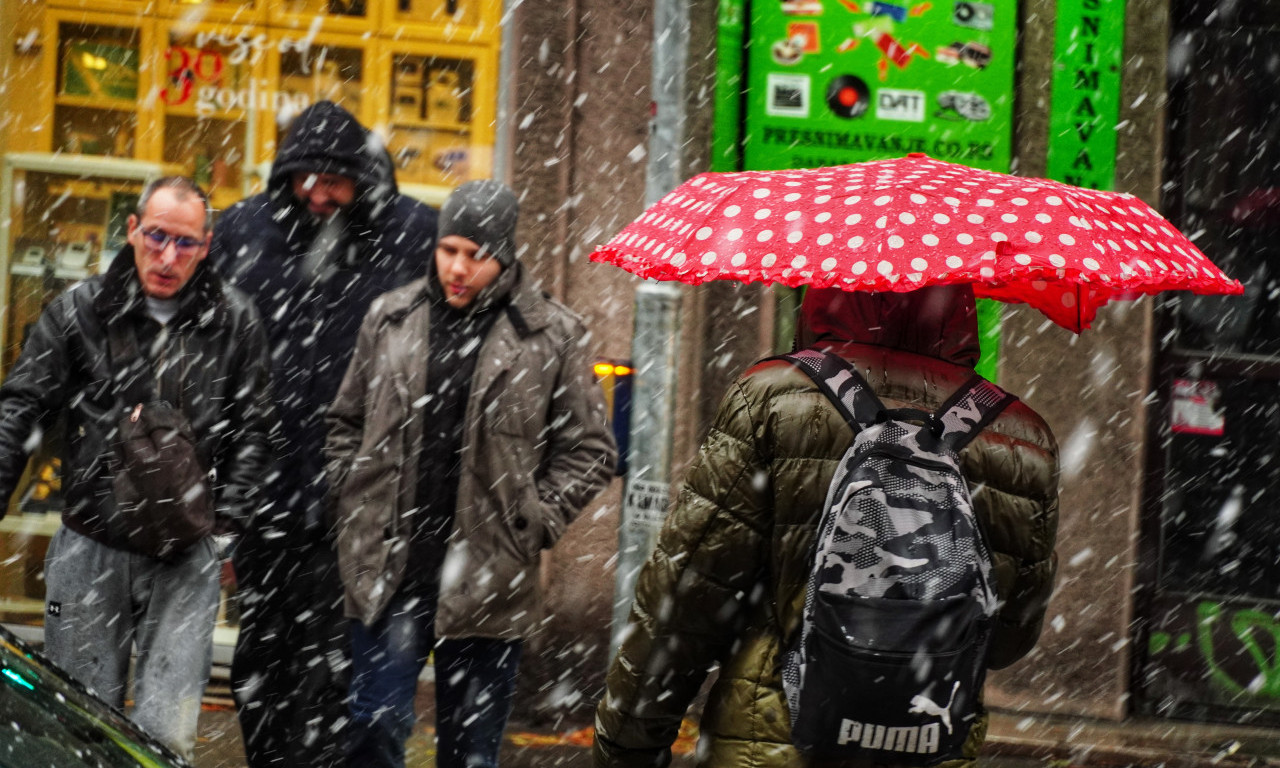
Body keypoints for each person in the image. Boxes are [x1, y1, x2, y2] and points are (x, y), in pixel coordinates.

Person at [593, 285, 1061, 767]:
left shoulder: (774, 398)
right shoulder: (1021, 438)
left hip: (771, 741)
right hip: (928, 743)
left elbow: (687, 597)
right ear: (958, 299)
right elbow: (1008, 637)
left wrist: (628, 742)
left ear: (828, 290)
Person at [325, 179, 617, 768]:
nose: (457, 268)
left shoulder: (551, 335)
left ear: (504, 255)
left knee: (472, 754)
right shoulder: (392, 317)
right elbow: (344, 423)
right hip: (391, 571)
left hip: (489, 579)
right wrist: (352, 496)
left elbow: (591, 449)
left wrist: (533, 521)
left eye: (475, 255)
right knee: (374, 732)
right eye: (448, 249)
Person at [0, 176, 274, 760]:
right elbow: (21, 411)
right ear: (132, 230)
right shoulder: (78, 312)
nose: (168, 257)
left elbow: (255, 431)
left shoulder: (235, 321)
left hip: (185, 555)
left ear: (206, 245)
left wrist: (226, 531)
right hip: (90, 544)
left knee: (166, 738)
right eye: (155, 237)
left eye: (185, 243)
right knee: (76, 730)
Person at [208, 100, 439, 767]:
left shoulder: (415, 235)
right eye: (304, 178)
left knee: (346, 679)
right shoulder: (244, 231)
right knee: (264, 665)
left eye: (333, 180)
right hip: (268, 503)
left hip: (362, 508)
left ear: (363, 180)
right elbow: (211, 354)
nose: (317, 193)